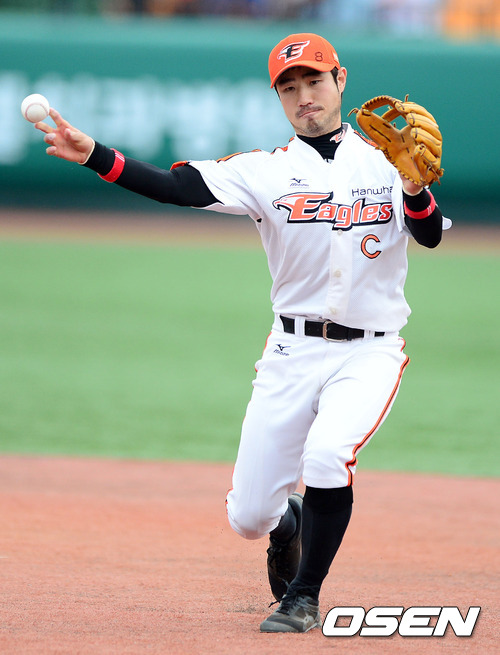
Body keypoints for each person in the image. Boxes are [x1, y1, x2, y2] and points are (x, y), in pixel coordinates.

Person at [35, 33, 449, 633]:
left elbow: (429, 235)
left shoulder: (389, 160)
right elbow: (176, 187)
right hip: (290, 350)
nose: (304, 96)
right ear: (279, 97)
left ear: (340, 81)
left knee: (328, 455)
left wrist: (414, 189)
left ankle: (303, 597)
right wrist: (95, 155)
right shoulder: (266, 171)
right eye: (290, 87)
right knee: (249, 517)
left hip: (370, 351)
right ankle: (288, 523)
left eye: (314, 80)